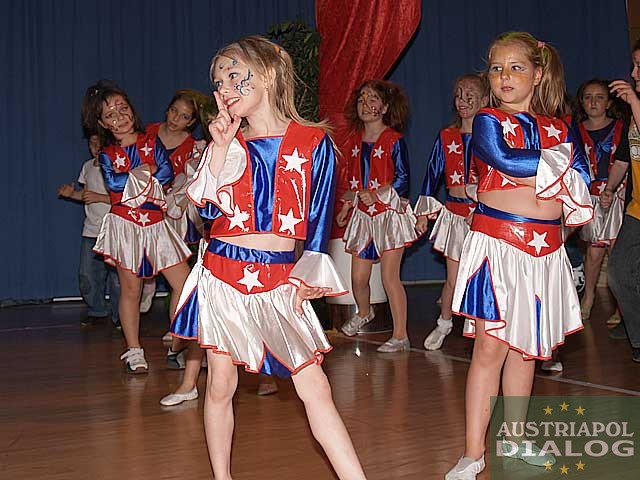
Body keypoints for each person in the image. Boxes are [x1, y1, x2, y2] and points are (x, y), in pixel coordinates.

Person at [170, 36, 367, 478]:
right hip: (222, 274)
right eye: (218, 81)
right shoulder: (226, 143)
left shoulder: (313, 141)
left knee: (315, 386)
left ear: (268, 73)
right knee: (220, 384)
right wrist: (220, 150)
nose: (224, 88)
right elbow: (205, 212)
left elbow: (319, 219)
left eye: (233, 75)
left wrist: (308, 272)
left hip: (278, 279)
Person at [445, 32, 592, 479]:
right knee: (489, 348)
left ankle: (515, 439)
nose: (504, 76)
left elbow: (583, 174)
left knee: (526, 352)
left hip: (545, 252)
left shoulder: (561, 127)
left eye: (516, 67)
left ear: (538, 73)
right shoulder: (488, 120)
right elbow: (504, 158)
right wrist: (558, 167)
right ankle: (473, 452)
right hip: (498, 247)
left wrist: (560, 168)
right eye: (497, 68)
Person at [81, 80, 192, 373]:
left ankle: (178, 342)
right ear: (102, 123)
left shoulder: (151, 141)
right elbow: (115, 183)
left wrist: (136, 173)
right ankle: (133, 349)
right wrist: (146, 170)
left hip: (156, 224)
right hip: (126, 227)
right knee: (131, 290)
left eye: (122, 108)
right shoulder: (108, 154)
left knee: (184, 282)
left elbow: (166, 173)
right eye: (110, 114)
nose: (119, 116)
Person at [336, 79, 417, 353]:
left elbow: (403, 180)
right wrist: (347, 206)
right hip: (363, 218)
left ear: (384, 107)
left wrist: (377, 194)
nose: (365, 104)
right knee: (358, 279)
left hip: (389, 216)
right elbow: (353, 182)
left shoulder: (394, 141)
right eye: (362, 99)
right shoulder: (355, 142)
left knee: (389, 277)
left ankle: (400, 335)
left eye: (372, 99)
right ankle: (364, 311)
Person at [414, 73, 489, 351]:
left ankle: (490, 330)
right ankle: (444, 322)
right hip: (455, 216)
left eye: (470, 95)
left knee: (487, 279)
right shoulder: (447, 136)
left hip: (485, 217)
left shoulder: (492, 136)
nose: (463, 101)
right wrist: (423, 213)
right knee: (454, 280)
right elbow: (432, 173)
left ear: (484, 100)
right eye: (458, 95)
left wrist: (483, 208)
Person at [574, 79, 628, 324]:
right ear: (582, 102)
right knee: (594, 252)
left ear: (608, 103)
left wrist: (611, 189)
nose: (593, 102)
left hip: (618, 196)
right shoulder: (575, 130)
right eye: (588, 97)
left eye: (599, 97)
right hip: (591, 197)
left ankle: (622, 306)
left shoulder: (622, 128)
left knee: (617, 253)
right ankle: (588, 298)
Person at [57, 134, 121, 329]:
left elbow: (126, 197)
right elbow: (87, 196)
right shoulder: (87, 167)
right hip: (92, 230)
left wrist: (101, 197)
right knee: (88, 275)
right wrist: (71, 194)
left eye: (100, 142)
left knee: (118, 278)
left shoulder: (117, 166)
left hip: (115, 230)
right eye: (92, 143)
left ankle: (120, 316)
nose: (96, 146)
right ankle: (97, 310)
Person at [608, 38, 640, 363]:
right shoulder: (634, 112)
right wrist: (609, 188)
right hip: (637, 209)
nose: (633, 73)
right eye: (634, 65)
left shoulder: (636, 107)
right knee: (618, 271)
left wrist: (634, 102)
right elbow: (624, 158)